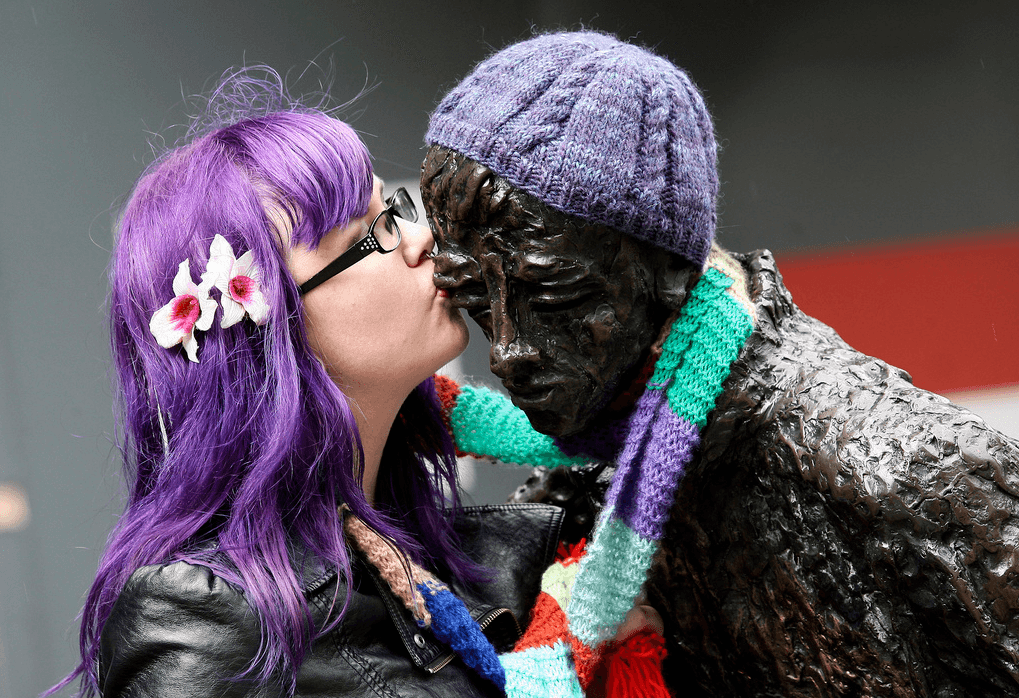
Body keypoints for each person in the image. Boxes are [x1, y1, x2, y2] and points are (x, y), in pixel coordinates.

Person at [419, 31, 1019, 697]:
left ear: (670, 272)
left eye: (558, 297)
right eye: (471, 292)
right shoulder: (576, 486)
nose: (506, 352)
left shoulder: (911, 473)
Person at [53, 70, 565, 698]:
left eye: (394, 211)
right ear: (269, 332)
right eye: (371, 233)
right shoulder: (205, 629)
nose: (423, 239)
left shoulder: (474, 561)